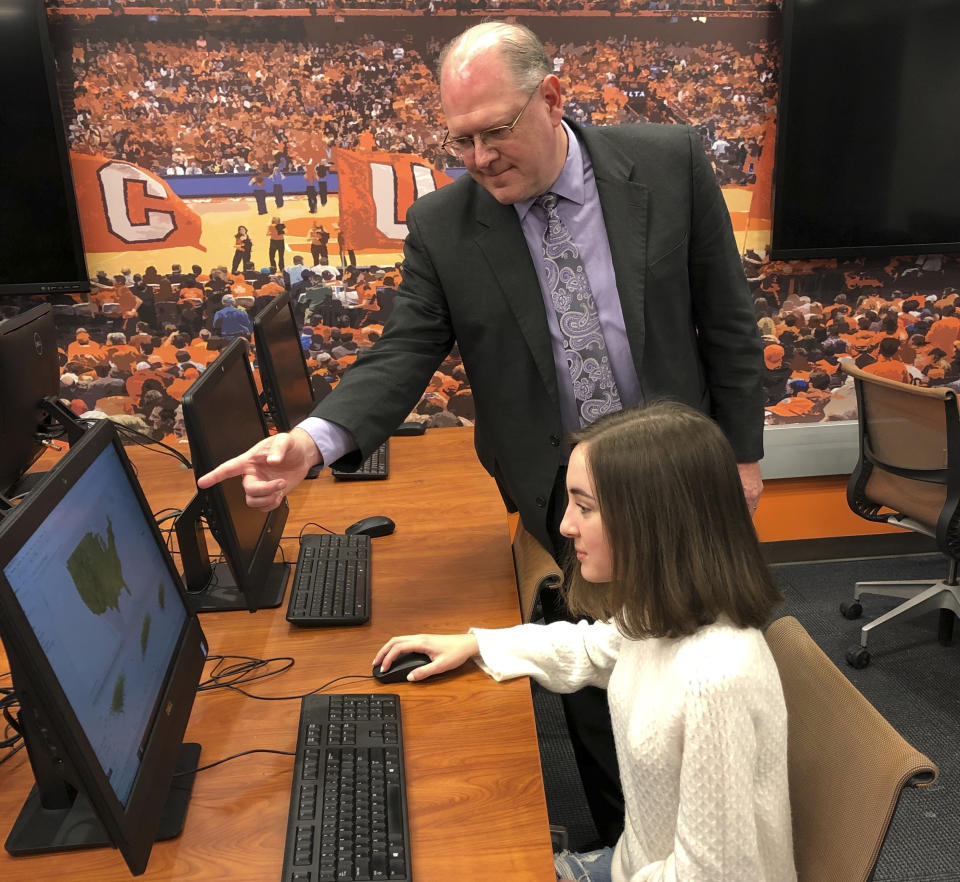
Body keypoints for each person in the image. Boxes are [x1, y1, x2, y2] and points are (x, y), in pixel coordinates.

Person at [197, 22, 763, 845]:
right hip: (562, 496)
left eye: (497, 130)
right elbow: (404, 351)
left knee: (706, 669)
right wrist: (314, 440)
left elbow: (729, 322)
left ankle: (715, 839)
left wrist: (744, 457)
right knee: (602, 693)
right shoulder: (443, 223)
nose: (480, 156)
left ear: (553, 97)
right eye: (460, 139)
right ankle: (623, 842)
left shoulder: (670, 162)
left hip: (684, 479)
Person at [374, 403, 794, 882]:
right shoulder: (660, 616)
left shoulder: (714, 678)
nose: (566, 525)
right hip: (634, 863)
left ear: (655, 520)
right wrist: (477, 644)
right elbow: (595, 650)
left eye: (586, 507)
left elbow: (714, 875)